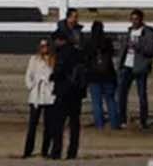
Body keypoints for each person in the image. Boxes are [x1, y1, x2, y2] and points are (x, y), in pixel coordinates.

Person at [116, 10, 153, 129]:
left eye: (136, 19)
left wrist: (136, 46)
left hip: (140, 67)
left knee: (142, 94)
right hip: (127, 66)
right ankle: (122, 119)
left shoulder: (147, 32)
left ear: (141, 19)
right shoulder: (129, 31)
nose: (134, 21)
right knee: (122, 93)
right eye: (132, 19)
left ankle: (143, 120)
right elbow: (124, 49)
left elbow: (150, 50)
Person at [52, 22, 86, 157]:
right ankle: (72, 151)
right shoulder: (78, 53)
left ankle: (56, 151)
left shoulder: (62, 53)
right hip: (76, 92)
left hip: (64, 91)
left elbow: (60, 71)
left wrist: (52, 76)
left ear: (61, 40)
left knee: (58, 123)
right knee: (74, 124)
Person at [23, 38, 58, 158]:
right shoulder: (34, 59)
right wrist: (32, 86)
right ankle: (28, 150)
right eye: (43, 46)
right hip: (36, 95)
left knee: (48, 125)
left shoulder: (54, 60)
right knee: (32, 124)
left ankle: (45, 150)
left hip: (49, 95)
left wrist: (51, 86)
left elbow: (54, 76)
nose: (45, 48)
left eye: (47, 46)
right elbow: (29, 75)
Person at [84, 18, 117, 129]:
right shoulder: (107, 42)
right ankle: (114, 123)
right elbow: (111, 55)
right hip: (108, 75)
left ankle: (99, 124)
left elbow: (86, 59)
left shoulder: (89, 43)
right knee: (110, 100)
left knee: (96, 102)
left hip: (94, 76)